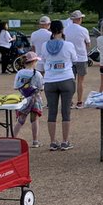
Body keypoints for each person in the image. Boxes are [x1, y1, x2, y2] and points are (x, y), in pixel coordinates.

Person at [40, 20, 80, 150]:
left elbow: (43, 61)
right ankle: (65, 141)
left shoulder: (45, 45)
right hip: (66, 79)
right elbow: (75, 59)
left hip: (50, 80)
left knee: (52, 112)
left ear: (50, 30)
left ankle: (52, 141)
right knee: (65, 111)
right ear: (62, 30)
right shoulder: (68, 45)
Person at [12, 52, 44, 147]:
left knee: (20, 120)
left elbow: (16, 87)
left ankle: (12, 138)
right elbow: (41, 87)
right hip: (35, 98)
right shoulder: (37, 74)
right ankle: (35, 141)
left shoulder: (19, 73)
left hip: (24, 99)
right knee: (34, 119)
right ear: (33, 62)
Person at [63, 11, 92, 107]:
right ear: (79, 19)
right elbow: (88, 43)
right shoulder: (83, 30)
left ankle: (69, 101)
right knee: (81, 81)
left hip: (69, 58)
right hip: (81, 57)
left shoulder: (65, 30)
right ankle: (79, 102)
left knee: (70, 81)